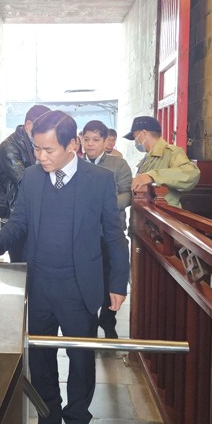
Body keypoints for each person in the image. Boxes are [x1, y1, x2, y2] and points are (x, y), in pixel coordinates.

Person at [0, 111, 130, 424]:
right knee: (41, 357)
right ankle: (48, 419)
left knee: (81, 359)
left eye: (49, 150)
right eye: (36, 148)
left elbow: (114, 234)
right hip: (40, 284)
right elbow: (19, 222)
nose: (41, 157)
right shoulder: (32, 178)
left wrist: (119, 283)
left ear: (72, 145)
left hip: (80, 286)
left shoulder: (98, 180)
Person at [81, 120, 132, 339]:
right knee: (90, 280)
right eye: (86, 139)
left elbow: (128, 194)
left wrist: (105, 205)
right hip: (85, 234)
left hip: (110, 232)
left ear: (105, 141)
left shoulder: (118, 165)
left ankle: (108, 320)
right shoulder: (75, 164)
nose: (90, 144)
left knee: (110, 277)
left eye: (95, 139)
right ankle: (91, 321)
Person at [0, 104, 51, 261]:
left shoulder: (35, 143)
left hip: (36, 211)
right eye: (42, 128)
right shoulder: (9, 147)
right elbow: (24, 180)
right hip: (15, 214)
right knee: (21, 263)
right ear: (28, 125)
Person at [124, 116, 200, 208]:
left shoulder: (171, 153)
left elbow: (191, 174)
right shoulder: (147, 157)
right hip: (146, 213)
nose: (136, 143)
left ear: (144, 133)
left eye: (136, 138)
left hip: (164, 213)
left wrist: (152, 176)